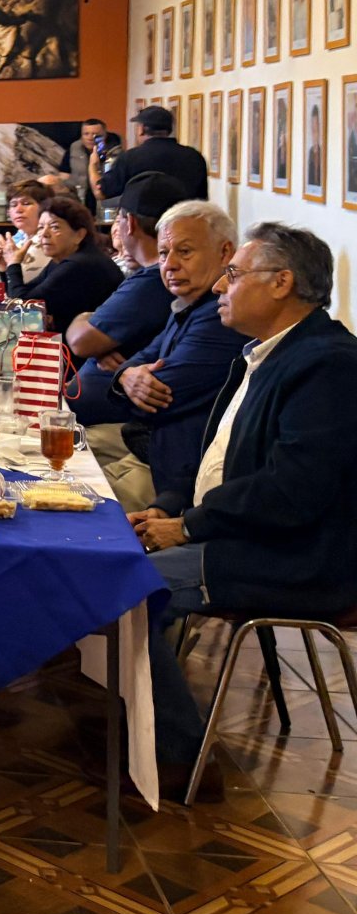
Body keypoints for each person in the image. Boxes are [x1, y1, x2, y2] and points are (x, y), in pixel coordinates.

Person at [126, 223, 357, 791]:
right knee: (111, 560)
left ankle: (180, 759)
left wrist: (189, 527)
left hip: (295, 558)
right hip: (243, 535)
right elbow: (217, 461)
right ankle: (134, 727)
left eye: (233, 274)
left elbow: (292, 489)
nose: (220, 287)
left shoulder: (329, 365)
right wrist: (168, 508)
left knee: (123, 592)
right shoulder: (268, 354)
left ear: (282, 283)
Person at [73, 201, 245, 512]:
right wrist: (126, 374)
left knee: (66, 507)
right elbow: (137, 362)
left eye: (185, 252)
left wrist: (124, 377)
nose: (170, 265)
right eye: (164, 253)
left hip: (169, 472)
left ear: (225, 253)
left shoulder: (220, 318)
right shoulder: (187, 305)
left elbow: (160, 396)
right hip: (143, 446)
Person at [64, 173, 180, 374]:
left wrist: (83, 318)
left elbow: (80, 342)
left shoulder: (150, 282)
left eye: (119, 219)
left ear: (130, 223)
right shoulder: (154, 274)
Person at [3, 195, 122, 332]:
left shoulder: (79, 264)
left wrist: (13, 263)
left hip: (96, 343)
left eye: (54, 227)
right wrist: (5, 268)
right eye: (40, 228)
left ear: (79, 235)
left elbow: (25, 308)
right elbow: (25, 293)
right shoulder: (62, 259)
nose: (44, 234)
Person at [94, 106, 207, 203]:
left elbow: (101, 193)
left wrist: (93, 166)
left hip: (143, 221)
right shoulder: (194, 157)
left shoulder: (130, 158)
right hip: (183, 219)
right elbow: (201, 200)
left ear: (142, 129)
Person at [0, 180, 55, 285]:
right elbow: (11, 289)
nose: (18, 209)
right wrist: (3, 267)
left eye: (26, 203)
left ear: (45, 207)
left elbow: (25, 286)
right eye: (13, 205)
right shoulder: (21, 240)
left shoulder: (47, 241)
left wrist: (11, 264)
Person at [58, 118, 123, 209]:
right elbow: (63, 176)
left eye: (96, 135)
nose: (90, 138)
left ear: (105, 135)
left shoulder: (116, 153)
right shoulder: (73, 149)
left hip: (107, 202)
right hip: (79, 201)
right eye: (86, 134)